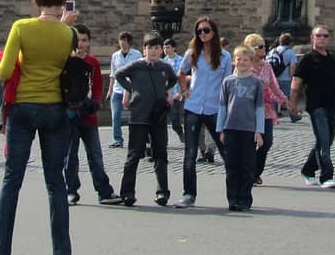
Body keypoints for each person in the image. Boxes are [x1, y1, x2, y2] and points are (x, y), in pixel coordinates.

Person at [0, 0, 78, 255]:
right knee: (56, 182)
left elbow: (3, 73)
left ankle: (1, 252)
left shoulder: (21, 27)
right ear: (63, 0)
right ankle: (61, 252)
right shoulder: (69, 34)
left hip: (23, 110)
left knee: (12, 179)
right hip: (54, 108)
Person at [174, 17, 231, 207]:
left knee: (226, 152)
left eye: (206, 30)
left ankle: (234, 195)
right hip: (193, 106)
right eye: (199, 31)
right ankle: (189, 194)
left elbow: (227, 84)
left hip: (215, 108)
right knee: (190, 153)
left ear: (214, 32)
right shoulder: (192, 53)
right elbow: (181, 73)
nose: (203, 34)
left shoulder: (225, 57)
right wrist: (184, 90)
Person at [114, 34, 176, 206]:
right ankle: (127, 193)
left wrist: (165, 92)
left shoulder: (165, 67)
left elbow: (173, 79)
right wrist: (132, 90)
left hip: (158, 116)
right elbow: (119, 75)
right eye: (151, 48)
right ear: (144, 50)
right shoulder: (136, 66)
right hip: (139, 116)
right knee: (133, 155)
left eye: (157, 48)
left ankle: (162, 192)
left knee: (160, 154)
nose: (154, 51)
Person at [292, 25, 335, 188]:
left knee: (326, 140)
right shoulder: (307, 59)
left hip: (333, 105)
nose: (322, 38)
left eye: (325, 36)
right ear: (312, 38)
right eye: (318, 36)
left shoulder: (334, 59)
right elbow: (296, 82)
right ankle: (326, 177)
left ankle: (308, 169)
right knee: (324, 142)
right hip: (315, 106)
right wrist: (292, 104)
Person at [65, 26, 121, 206]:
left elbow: (97, 86)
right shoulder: (65, 61)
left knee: (95, 155)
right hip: (70, 114)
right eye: (77, 40)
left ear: (88, 42)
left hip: (88, 116)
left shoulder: (93, 62)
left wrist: (95, 103)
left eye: (84, 40)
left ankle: (104, 191)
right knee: (70, 156)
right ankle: (71, 190)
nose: (80, 44)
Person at [218, 46, 266, 211]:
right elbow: (222, 107)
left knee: (247, 166)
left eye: (246, 60)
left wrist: (259, 131)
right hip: (231, 127)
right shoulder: (228, 81)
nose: (242, 62)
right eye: (239, 59)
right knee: (231, 166)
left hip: (248, 129)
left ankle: (245, 198)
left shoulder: (256, 83)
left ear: (251, 62)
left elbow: (259, 108)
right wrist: (221, 129)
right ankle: (232, 198)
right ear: (234, 61)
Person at [242, 32, 286, 185]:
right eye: (260, 46)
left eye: (264, 46)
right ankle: (248, 173)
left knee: (266, 141)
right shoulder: (243, 66)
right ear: (251, 49)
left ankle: (255, 171)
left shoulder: (267, 66)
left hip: (265, 110)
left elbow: (274, 87)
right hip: (247, 110)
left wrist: (286, 102)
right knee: (248, 143)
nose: (264, 48)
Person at [107, 32, 141, 148]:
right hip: (117, 89)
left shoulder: (136, 54)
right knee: (115, 115)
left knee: (134, 116)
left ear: (129, 42)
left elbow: (138, 73)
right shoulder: (115, 55)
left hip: (132, 89)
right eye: (120, 40)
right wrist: (109, 90)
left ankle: (136, 139)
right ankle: (118, 139)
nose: (122, 43)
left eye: (124, 40)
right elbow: (113, 74)